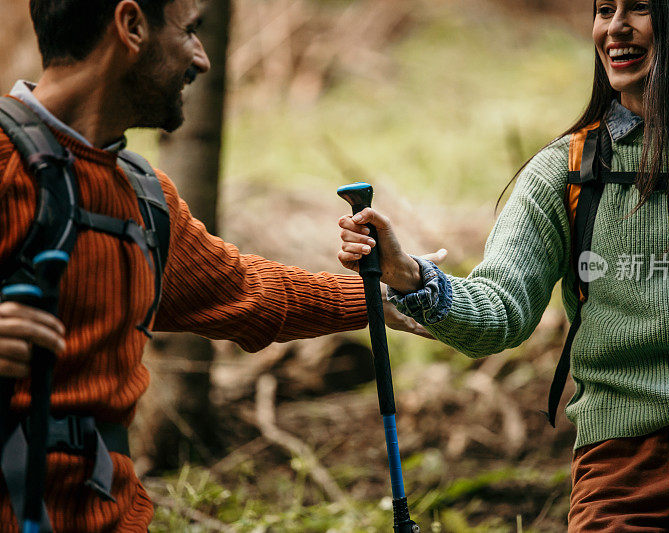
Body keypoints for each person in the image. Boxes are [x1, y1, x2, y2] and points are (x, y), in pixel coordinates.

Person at [340, 0, 669, 530]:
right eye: (605, 9)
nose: (615, 28)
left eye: (641, 8)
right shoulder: (565, 170)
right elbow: (500, 312)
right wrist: (407, 275)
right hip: (617, 464)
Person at [0, 0, 437, 531]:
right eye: (189, 31)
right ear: (131, 26)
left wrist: (378, 297)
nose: (202, 59)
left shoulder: (144, 199)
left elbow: (246, 291)